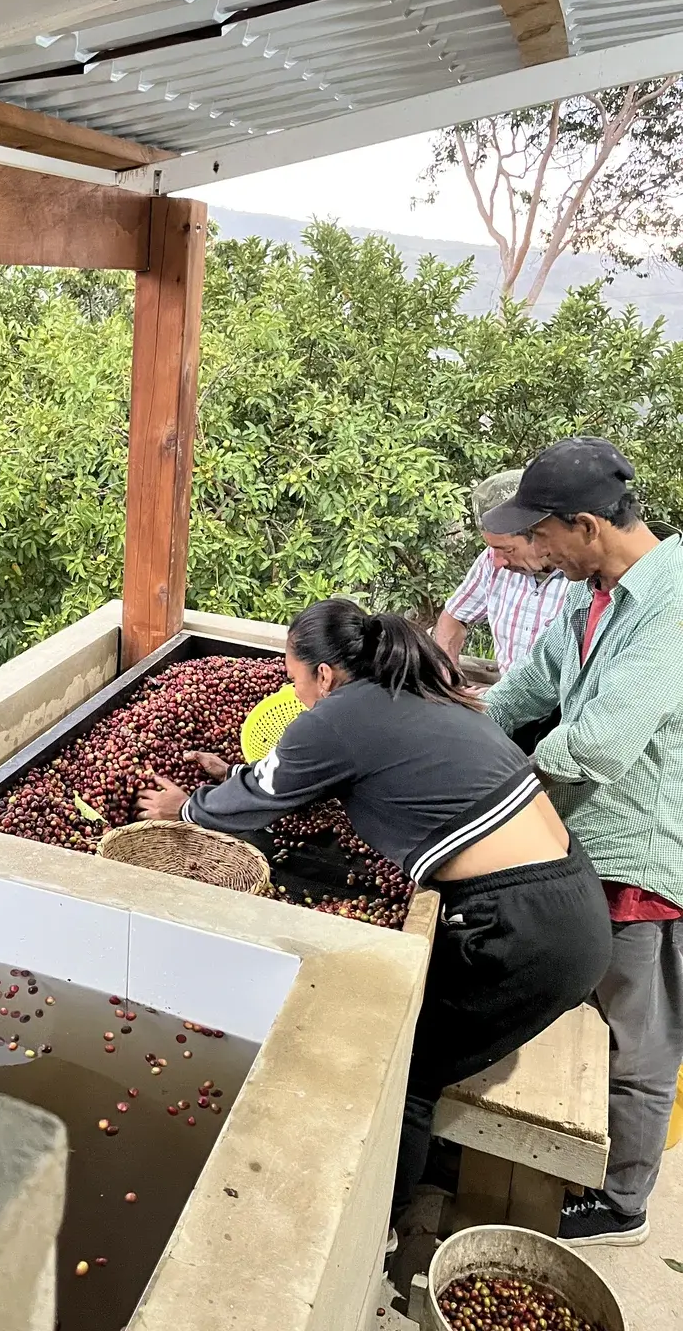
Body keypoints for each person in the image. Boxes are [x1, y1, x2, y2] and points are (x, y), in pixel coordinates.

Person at [136, 598, 613, 1232]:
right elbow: (308, 776)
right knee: (430, 1042)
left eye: (294, 676)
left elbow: (258, 798)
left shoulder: (334, 719)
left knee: (403, 1072)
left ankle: (371, 1228)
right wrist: (238, 772)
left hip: (522, 933)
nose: (293, 690)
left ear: (324, 676)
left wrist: (184, 809)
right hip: (572, 904)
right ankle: (426, 1168)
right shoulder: (421, 693)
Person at [482, 436, 683, 1248]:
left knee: (640, 1040)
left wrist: (517, 774)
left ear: (588, 525)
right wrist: (469, 738)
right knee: (576, 1009)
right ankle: (567, 1159)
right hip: (583, 843)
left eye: (543, 534)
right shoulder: (590, 591)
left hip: (643, 856)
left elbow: (598, 742)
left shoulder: (671, 606)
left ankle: (623, 1204)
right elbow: (529, 685)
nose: (535, 550)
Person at [435, 470, 568, 673]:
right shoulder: (492, 560)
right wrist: (446, 674)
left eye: (507, 550)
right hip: (503, 696)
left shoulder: (585, 579)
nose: (497, 562)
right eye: (492, 548)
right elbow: (454, 616)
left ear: (541, 535)